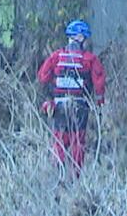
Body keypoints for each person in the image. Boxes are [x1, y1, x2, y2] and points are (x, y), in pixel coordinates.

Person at [37, 19, 107, 173]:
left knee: (60, 142)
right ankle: (75, 178)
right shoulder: (90, 59)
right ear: (81, 38)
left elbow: (42, 77)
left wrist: (50, 97)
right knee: (77, 142)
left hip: (59, 107)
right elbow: (99, 84)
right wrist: (100, 102)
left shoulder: (56, 57)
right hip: (80, 107)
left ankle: (58, 175)